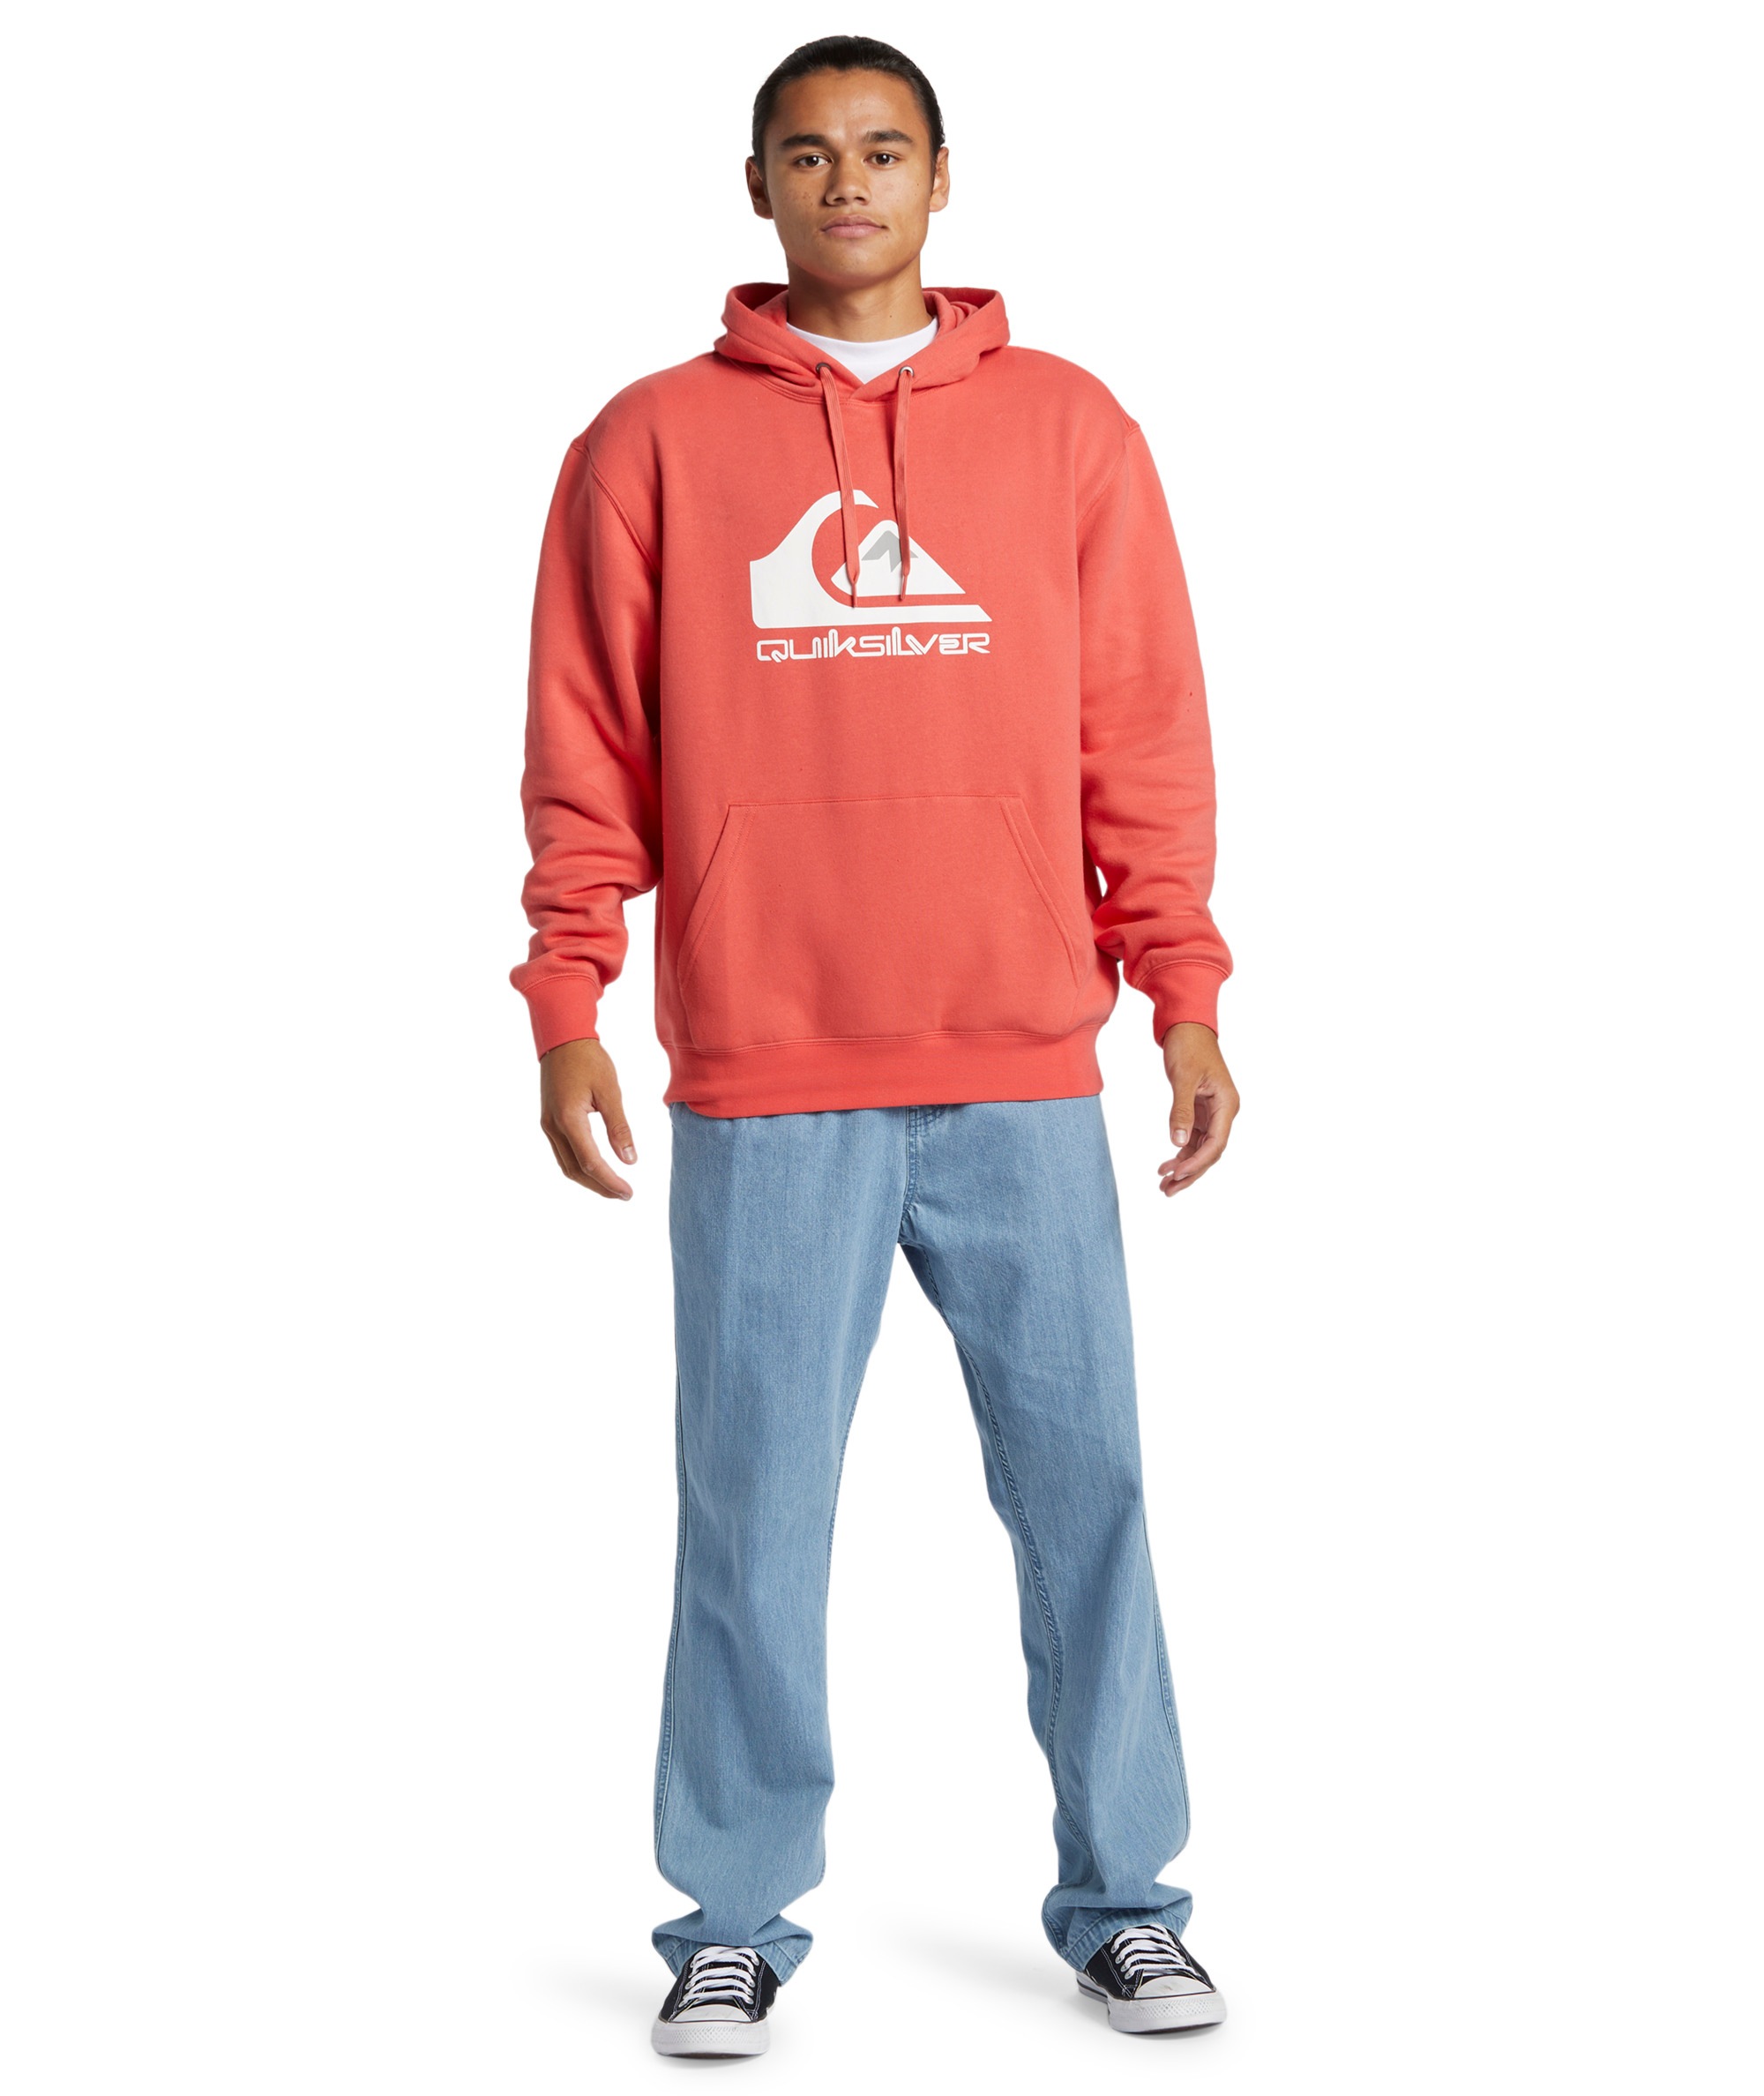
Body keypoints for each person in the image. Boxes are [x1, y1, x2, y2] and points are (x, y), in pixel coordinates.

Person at [512, 34, 1240, 2059]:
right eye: (809, 153)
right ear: (754, 187)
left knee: (1088, 1496)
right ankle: (729, 1919)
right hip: (770, 1064)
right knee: (752, 1514)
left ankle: (1127, 1901)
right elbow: (586, 745)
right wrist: (568, 994)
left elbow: (1139, 734)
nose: (848, 182)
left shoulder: (1068, 428)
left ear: (941, 179)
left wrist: (1182, 989)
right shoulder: (650, 442)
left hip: (1020, 1058)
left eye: (884, 150)